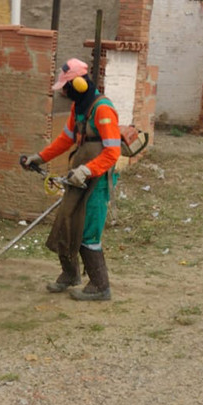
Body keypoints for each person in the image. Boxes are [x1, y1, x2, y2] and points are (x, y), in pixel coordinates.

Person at [22, 58, 121, 301]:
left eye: (65, 87)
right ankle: (70, 274)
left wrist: (87, 171)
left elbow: (112, 151)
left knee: (88, 231)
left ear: (77, 84)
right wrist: (39, 158)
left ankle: (100, 286)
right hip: (78, 177)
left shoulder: (102, 109)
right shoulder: (79, 108)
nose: (63, 92)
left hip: (96, 181)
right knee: (66, 223)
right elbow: (65, 140)